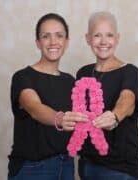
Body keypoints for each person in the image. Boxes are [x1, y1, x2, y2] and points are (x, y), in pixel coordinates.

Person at [7, 13, 87, 180]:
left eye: (59, 36)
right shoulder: (23, 77)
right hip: (32, 168)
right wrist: (59, 118)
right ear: (38, 42)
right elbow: (35, 107)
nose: (53, 42)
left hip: (66, 165)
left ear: (66, 42)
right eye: (46, 36)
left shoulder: (70, 81)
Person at [77, 11, 138, 180]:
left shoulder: (130, 71)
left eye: (109, 35)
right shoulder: (83, 73)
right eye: (97, 35)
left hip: (120, 169)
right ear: (88, 39)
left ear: (118, 38)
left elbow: (128, 100)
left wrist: (115, 116)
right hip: (87, 164)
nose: (104, 41)